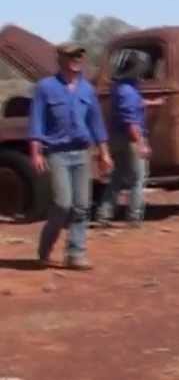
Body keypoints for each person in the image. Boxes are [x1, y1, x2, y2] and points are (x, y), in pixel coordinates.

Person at [28, 43, 113, 270]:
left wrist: (104, 153)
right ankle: (46, 246)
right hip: (57, 153)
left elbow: (96, 123)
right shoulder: (45, 87)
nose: (77, 59)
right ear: (61, 59)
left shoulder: (87, 89)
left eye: (80, 56)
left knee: (82, 206)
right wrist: (35, 152)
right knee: (63, 204)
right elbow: (36, 121)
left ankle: (76, 254)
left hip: (81, 153)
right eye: (72, 56)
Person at [95, 51, 155, 227]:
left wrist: (151, 103)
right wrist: (142, 144)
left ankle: (103, 214)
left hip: (116, 138)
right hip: (130, 139)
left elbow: (131, 106)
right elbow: (131, 123)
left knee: (117, 178)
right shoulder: (129, 91)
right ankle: (134, 217)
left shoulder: (120, 88)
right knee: (138, 179)